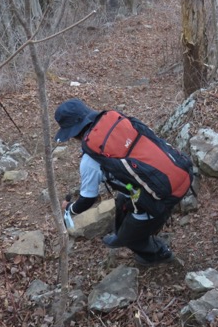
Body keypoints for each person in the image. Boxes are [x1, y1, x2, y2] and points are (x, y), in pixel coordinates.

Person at [54, 98, 176, 265]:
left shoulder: (90, 160)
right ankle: (123, 233)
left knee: (131, 238)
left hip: (156, 196)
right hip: (168, 174)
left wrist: (70, 209)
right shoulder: (118, 124)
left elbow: (88, 199)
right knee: (122, 200)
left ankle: (158, 254)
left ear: (74, 133)